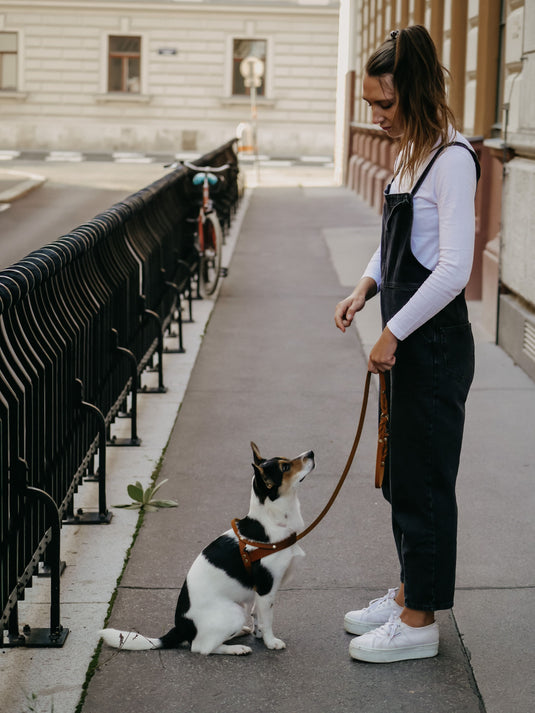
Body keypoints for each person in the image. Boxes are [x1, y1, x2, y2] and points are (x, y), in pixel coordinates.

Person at [334, 25, 480, 664]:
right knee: (400, 479)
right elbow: (396, 242)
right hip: (408, 344)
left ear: (417, 94)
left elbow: (454, 269)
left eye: (384, 104)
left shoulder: (452, 160)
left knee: (423, 484)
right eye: (369, 104)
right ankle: (405, 594)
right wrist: (365, 288)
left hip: (435, 347)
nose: (375, 116)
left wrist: (391, 332)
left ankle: (419, 622)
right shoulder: (410, 154)